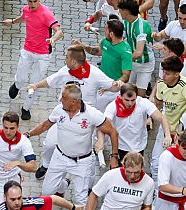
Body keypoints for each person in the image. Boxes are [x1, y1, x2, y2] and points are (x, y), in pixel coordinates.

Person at [27, 45, 120, 178]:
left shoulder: (95, 73)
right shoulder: (65, 71)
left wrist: (118, 84)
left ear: (73, 61)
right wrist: (36, 86)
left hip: (85, 118)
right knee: (50, 144)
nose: (65, 59)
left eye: (66, 57)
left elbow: (112, 86)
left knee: (87, 153)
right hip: (64, 114)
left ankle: (86, 183)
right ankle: (46, 165)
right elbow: (50, 80)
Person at [25, 84, 120, 208]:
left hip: (82, 162)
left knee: (80, 199)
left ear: (74, 101)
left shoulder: (92, 114)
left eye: (63, 97)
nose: (60, 100)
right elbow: (45, 125)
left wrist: (114, 156)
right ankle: (63, 185)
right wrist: (28, 134)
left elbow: (113, 132)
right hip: (59, 156)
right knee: (47, 192)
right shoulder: (59, 110)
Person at [3, 0, 64, 120]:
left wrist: (53, 38)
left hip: (43, 55)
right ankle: (17, 85)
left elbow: (59, 31)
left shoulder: (46, 14)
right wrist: (12, 22)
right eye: (30, 1)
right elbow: (23, 17)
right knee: (21, 77)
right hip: (27, 50)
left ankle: (26, 108)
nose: (32, 4)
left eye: (35, 1)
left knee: (35, 83)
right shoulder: (26, 9)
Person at [150, 56, 186, 179]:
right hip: (165, 128)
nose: (164, 76)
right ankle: (156, 191)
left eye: (167, 73)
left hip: (180, 133)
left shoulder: (185, 85)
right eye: (163, 72)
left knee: (179, 165)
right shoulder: (161, 84)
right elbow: (159, 103)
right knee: (156, 162)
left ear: (176, 74)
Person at [74, 19, 132, 111]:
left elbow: (126, 75)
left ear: (112, 34)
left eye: (106, 30)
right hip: (99, 86)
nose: (104, 32)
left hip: (111, 91)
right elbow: (97, 51)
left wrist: (116, 83)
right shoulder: (105, 41)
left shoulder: (125, 51)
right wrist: (82, 46)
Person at [103, 83, 169, 162]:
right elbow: (104, 124)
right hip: (120, 147)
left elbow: (162, 118)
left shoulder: (143, 103)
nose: (130, 103)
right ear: (120, 96)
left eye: (133, 100)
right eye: (127, 100)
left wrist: (167, 135)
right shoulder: (112, 106)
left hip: (139, 147)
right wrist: (101, 140)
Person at [86, 152, 156, 210]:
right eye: (129, 172)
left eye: (136, 172)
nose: (132, 176)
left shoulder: (149, 182)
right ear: (123, 166)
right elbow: (94, 195)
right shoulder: (111, 175)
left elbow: (147, 206)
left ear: (142, 168)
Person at [153, 130, 186, 209]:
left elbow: (185, 170)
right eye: (184, 148)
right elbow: (162, 186)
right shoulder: (167, 156)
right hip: (166, 203)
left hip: (185, 201)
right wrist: (182, 190)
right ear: (178, 144)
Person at [118, 0, 155, 96]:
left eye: (120, 10)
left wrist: (121, 59)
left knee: (139, 96)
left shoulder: (141, 27)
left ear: (125, 12)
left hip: (145, 65)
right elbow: (121, 39)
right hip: (133, 63)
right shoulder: (126, 21)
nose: (119, 12)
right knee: (127, 90)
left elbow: (139, 52)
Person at [0, 180, 78, 210]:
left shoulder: (30, 203)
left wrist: (73, 207)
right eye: (13, 199)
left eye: (19, 198)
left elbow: (53, 199)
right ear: (5, 197)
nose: (17, 202)